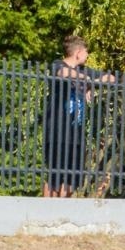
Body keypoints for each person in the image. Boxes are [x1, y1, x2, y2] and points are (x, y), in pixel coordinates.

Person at [43, 35, 99, 198]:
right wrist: (84, 79)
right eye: (86, 52)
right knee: (54, 179)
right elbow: (62, 73)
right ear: (78, 52)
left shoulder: (85, 70)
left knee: (71, 181)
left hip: (76, 136)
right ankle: (46, 210)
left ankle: (62, 211)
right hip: (57, 133)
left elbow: (108, 77)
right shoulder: (57, 64)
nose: (87, 55)